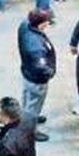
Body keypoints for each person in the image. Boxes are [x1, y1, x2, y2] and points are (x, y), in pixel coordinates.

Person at [18, 9, 56, 142]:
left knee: (27, 98)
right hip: (36, 80)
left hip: (27, 72)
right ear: (40, 25)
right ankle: (30, 130)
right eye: (46, 22)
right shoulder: (36, 46)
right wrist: (50, 73)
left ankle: (25, 117)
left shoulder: (25, 26)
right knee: (34, 106)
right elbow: (40, 67)